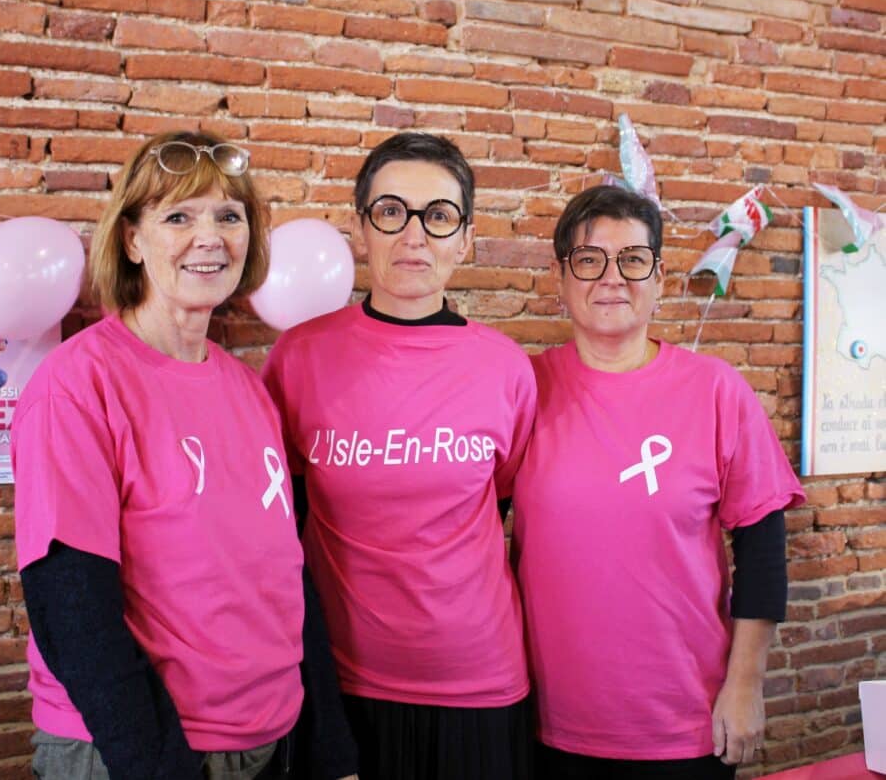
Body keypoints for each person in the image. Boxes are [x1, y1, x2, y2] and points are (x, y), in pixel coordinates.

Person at [12, 131, 358, 780]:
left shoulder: (249, 391)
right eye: (178, 215)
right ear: (132, 239)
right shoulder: (77, 386)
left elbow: (288, 580)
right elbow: (72, 612)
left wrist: (330, 748)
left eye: (230, 215)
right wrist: (158, 765)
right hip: (139, 751)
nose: (211, 237)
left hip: (270, 742)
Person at [262, 132, 536, 780]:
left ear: (465, 239)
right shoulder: (299, 358)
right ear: (362, 229)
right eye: (391, 211)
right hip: (339, 685)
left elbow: (500, 510)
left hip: (479, 682)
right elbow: (278, 535)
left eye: (438, 216)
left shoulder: (505, 368)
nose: (414, 234)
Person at [513, 184, 806, 780]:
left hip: (685, 722)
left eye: (634, 259)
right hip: (549, 719)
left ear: (661, 278)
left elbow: (763, 548)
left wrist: (745, 684)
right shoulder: (520, 390)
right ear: (560, 279)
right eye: (589, 260)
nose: (611, 278)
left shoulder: (717, 391)